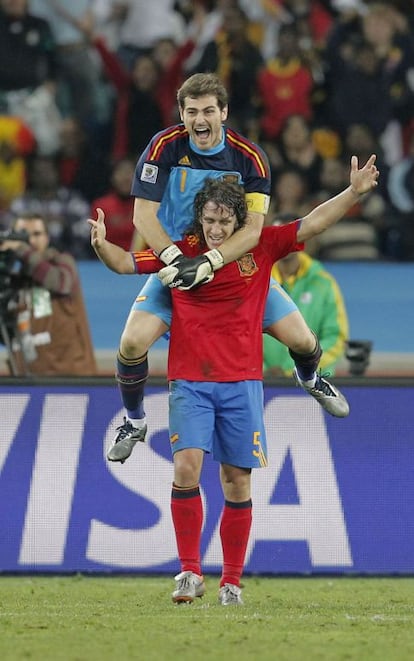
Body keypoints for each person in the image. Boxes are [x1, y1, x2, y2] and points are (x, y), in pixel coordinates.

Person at [89, 158, 379, 604]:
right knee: (186, 470)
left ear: (239, 221)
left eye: (225, 222)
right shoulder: (181, 251)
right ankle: (189, 572)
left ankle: (231, 582)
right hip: (189, 380)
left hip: (242, 382)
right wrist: (102, 245)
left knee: (236, 482)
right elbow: (128, 263)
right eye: (210, 221)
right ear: (200, 218)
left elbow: (313, 223)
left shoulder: (259, 245)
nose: (217, 231)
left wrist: (355, 192)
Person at [102, 72, 348, 466]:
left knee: (303, 342)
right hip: (178, 262)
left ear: (224, 113)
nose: (200, 120)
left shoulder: (249, 158)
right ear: (182, 114)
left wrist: (210, 261)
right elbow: (143, 217)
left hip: (238, 271)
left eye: (208, 111)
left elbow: (252, 231)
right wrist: (177, 260)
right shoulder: (164, 146)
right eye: (192, 111)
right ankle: (134, 422)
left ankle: (311, 377)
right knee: (131, 344)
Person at [0, 213, 97, 375]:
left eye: (36, 234)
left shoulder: (62, 262)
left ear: (47, 238)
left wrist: (23, 252)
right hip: (28, 382)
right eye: (23, 235)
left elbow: (60, 283)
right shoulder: (15, 280)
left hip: (71, 381)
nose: (30, 241)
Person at [263, 243, 349, 377]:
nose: (284, 241)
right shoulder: (257, 282)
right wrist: (260, 369)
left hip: (312, 381)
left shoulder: (324, 283)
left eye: (289, 233)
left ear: (300, 237)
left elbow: (336, 338)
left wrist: (293, 369)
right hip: (263, 381)